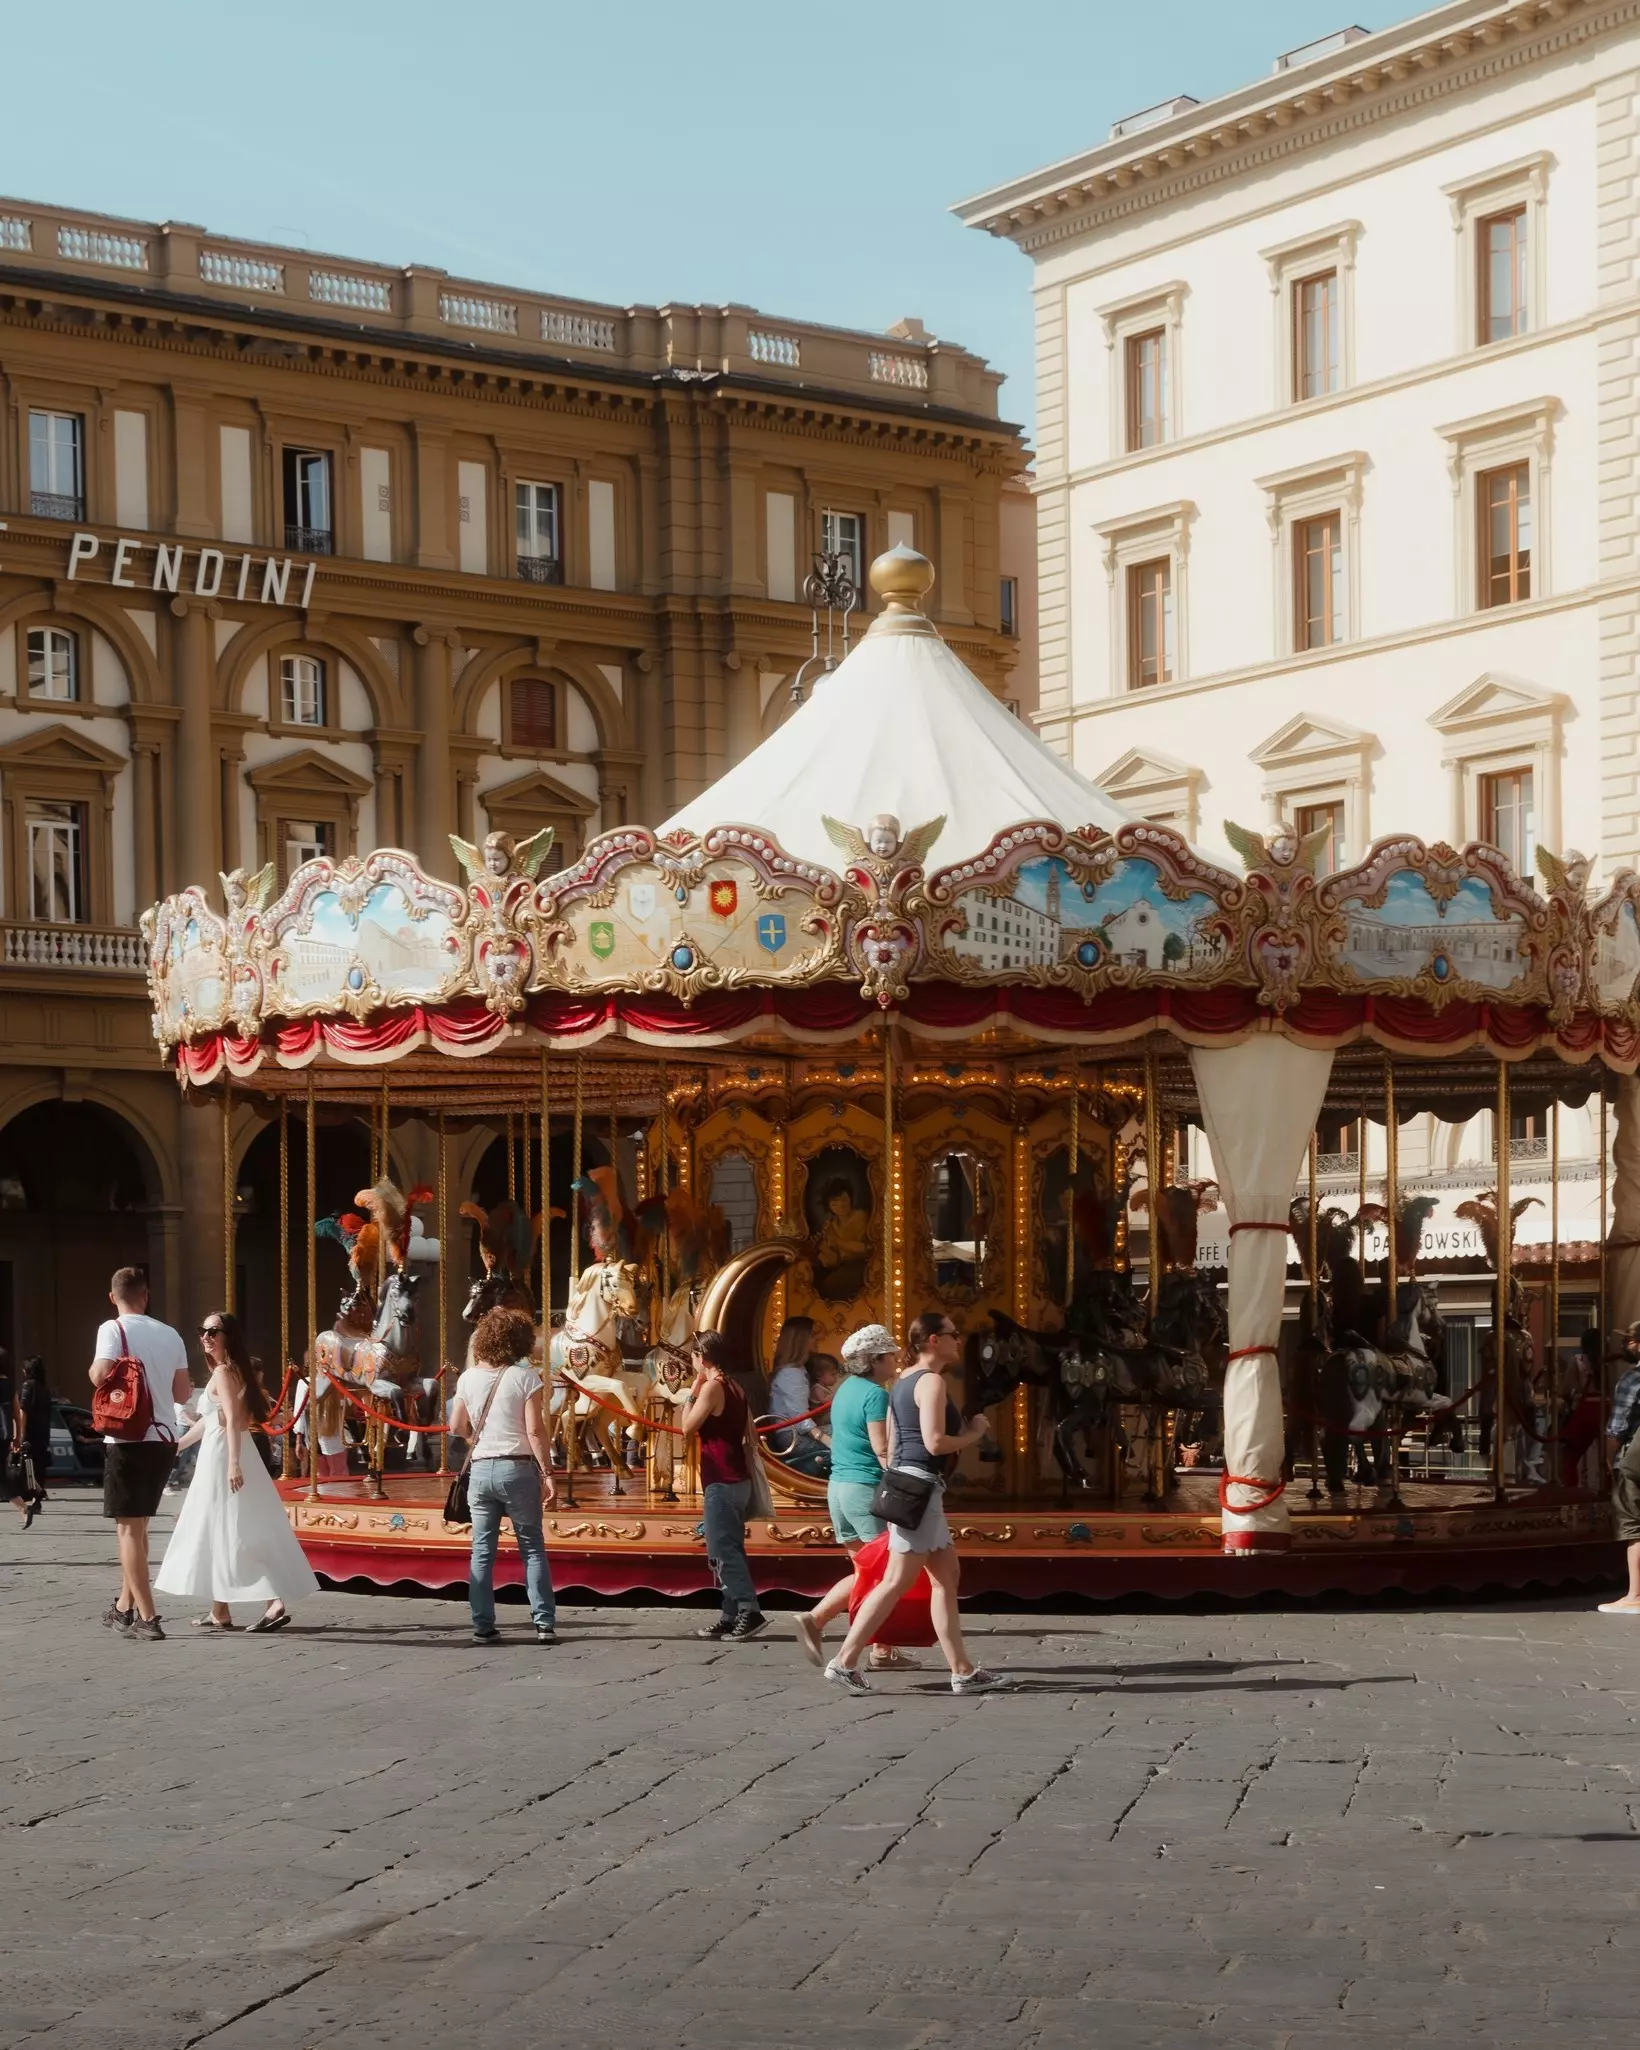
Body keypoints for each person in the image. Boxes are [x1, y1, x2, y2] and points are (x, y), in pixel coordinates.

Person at [822, 1310, 1009, 1695]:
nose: (959, 1339)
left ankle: (962, 1670)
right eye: (953, 1334)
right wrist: (974, 1433)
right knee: (895, 1581)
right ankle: (844, 1660)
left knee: (946, 1578)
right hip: (920, 1488)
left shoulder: (902, 1381)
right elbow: (935, 1443)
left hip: (913, 1486)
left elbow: (891, 1442)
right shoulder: (932, 1382)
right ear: (934, 1341)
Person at [154, 1312, 318, 1631]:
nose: (206, 1336)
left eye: (214, 1331)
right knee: (221, 1527)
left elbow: (230, 1419)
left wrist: (232, 1462)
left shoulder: (226, 1372)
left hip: (224, 1455)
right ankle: (221, 1610)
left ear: (229, 1336)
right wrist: (178, 1445)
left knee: (229, 1527)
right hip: (227, 1451)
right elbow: (212, 1421)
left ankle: (272, 1601)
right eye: (202, 1330)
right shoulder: (229, 1370)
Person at [793, 1323, 919, 1672]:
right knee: (886, 1573)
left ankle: (881, 1647)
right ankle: (819, 1620)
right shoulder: (875, 1394)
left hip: (839, 1489)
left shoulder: (847, 1389)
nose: (895, 1359)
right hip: (865, 1490)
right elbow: (881, 1447)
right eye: (890, 1354)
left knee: (870, 1573)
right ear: (875, 1360)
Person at [447, 1306, 557, 1645]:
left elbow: (456, 1426)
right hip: (517, 1467)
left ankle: (483, 1625)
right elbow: (536, 1431)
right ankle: (543, 1623)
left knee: (482, 1551)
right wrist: (548, 1473)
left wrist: (477, 1438)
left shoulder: (467, 1378)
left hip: (480, 1469)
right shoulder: (525, 1377)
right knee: (532, 1547)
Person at [91, 1267, 190, 1642]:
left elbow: (100, 1375)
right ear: (146, 1295)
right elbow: (182, 1394)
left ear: (113, 1296)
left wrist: (99, 1371)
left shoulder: (112, 1329)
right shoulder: (171, 1334)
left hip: (128, 1438)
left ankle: (148, 1617)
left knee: (128, 1530)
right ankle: (123, 1608)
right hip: (164, 1439)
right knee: (140, 1526)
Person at [679, 1328, 766, 1640]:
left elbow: (687, 1427)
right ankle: (729, 1614)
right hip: (737, 1477)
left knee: (721, 1551)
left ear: (702, 1359)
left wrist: (692, 1391)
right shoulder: (736, 1387)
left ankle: (748, 1608)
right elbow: (751, 1434)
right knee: (730, 1547)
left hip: (721, 1479)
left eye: (692, 1358)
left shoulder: (712, 1388)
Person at [1597, 1331, 1640, 1615]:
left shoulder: (1632, 1379)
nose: (1625, 1345)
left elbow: (1617, 1427)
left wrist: (1607, 1457)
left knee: (1633, 1525)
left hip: (1635, 1458)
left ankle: (1635, 1594)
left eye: (1631, 1340)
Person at [766, 1316, 824, 1468]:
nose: (818, 1339)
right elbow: (801, 1420)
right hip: (793, 1438)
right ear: (800, 1340)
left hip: (794, 1434)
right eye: (812, 1335)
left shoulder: (798, 1370)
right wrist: (827, 1440)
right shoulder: (791, 1374)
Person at [10, 1356, 51, 1529]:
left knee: (26, 1468)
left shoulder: (28, 1386)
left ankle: (37, 1495)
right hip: (43, 1433)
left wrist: (19, 1434)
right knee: (35, 1467)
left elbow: (23, 1411)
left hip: (30, 1433)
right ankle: (37, 1498)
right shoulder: (44, 1388)